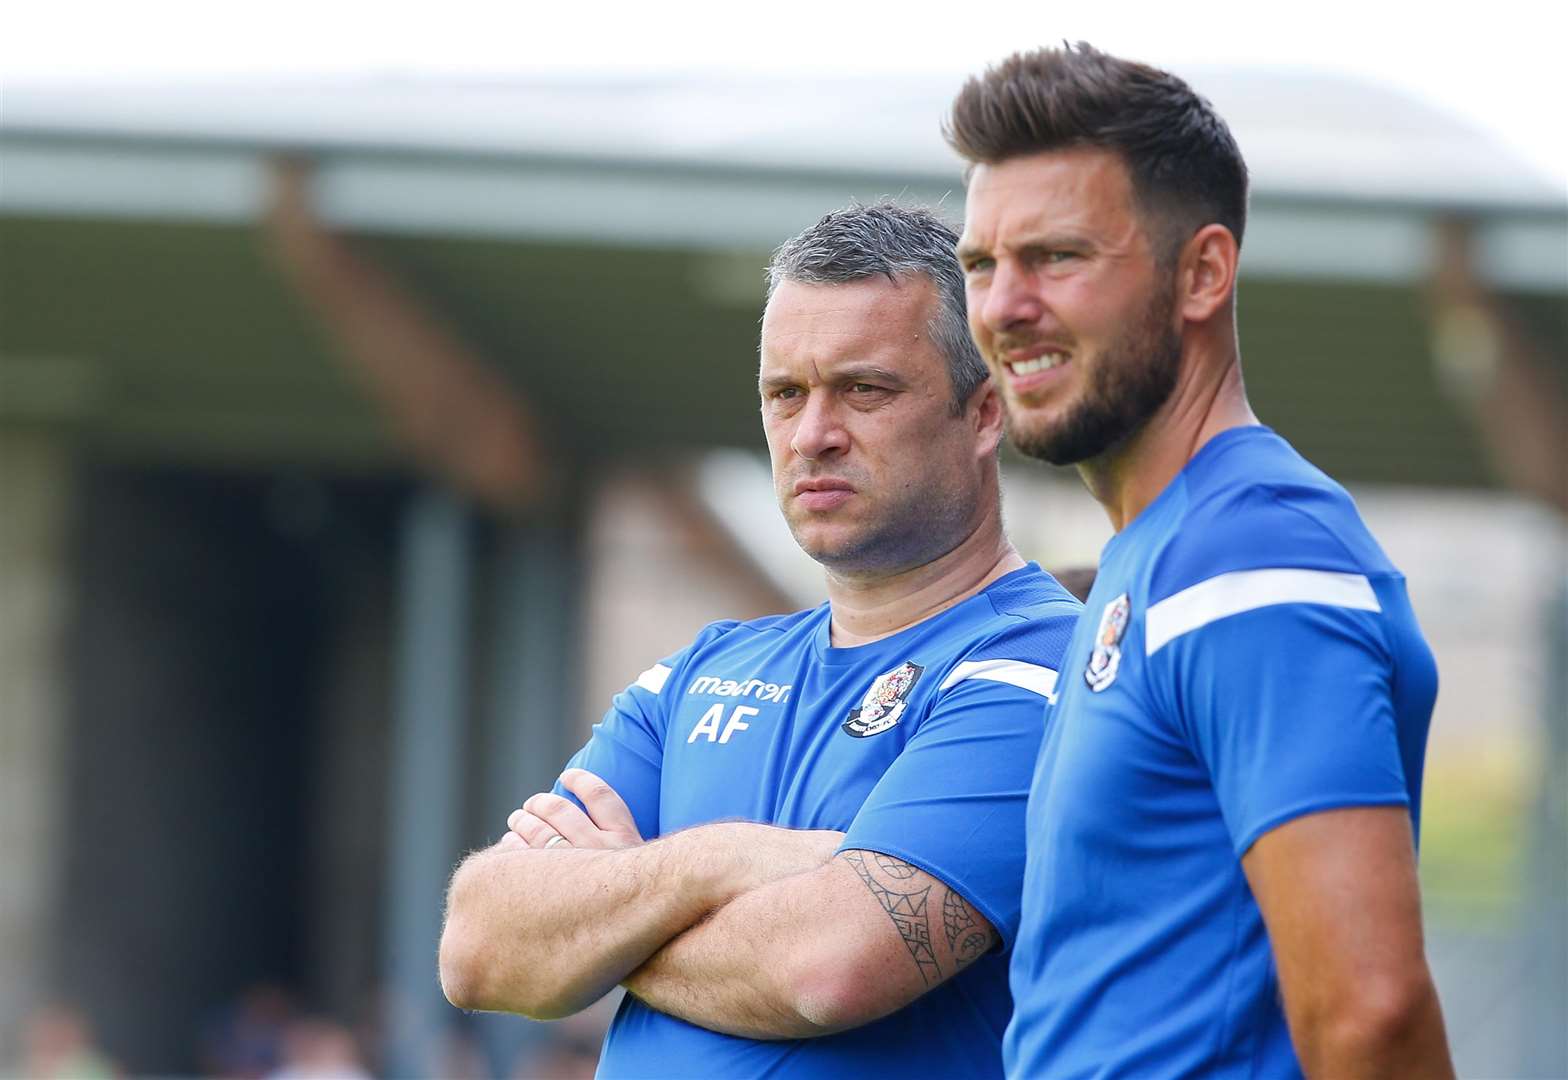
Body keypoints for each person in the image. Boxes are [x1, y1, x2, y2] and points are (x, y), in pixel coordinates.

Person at [439, 203, 1082, 1078]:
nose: (813, 434)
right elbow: (479, 945)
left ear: (983, 414)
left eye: (865, 388)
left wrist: (610, 912)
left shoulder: (1045, 669)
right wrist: (722, 860)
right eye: (786, 394)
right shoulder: (700, 672)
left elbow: (829, 968)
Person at [947, 44, 1455, 1078]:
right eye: (980, 266)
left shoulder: (1250, 550)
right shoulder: (1156, 555)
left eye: (1055, 257)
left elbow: (1370, 1013)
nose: (1002, 306)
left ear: (1201, 273)